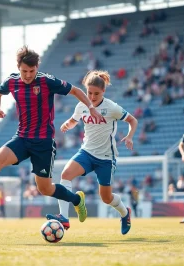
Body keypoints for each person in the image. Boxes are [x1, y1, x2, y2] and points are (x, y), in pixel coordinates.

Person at [0, 46, 102, 225]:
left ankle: (77, 200)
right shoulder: (11, 82)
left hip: (43, 142)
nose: (28, 75)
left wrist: (90, 107)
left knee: (45, 189)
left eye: (32, 71)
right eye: (24, 71)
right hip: (22, 138)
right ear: (18, 67)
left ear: (37, 68)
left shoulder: (46, 81)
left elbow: (75, 90)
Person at [46, 70, 138, 235]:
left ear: (104, 91)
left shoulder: (111, 107)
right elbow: (75, 120)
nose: (92, 96)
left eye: (96, 93)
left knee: (106, 198)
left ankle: (125, 213)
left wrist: (130, 136)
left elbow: (133, 120)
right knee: (66, 174)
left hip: (106, 158)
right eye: (89, 93)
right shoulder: (82, 105)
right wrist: (68, 124)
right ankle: (64, 217)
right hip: (86, 152)